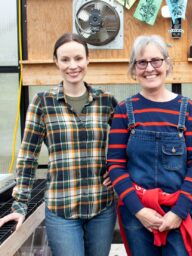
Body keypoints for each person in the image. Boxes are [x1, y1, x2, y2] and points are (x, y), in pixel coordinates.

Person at [0, 33, 117, 256]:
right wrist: (19, 204)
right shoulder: (43, 103)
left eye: (78, 58)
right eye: (65, 59)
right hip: (61, 209)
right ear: (56, 61)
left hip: (101, 206)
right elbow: (28, 156)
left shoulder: (106, 101)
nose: (73, 65)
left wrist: (119, 169)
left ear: (87, 60)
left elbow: (130, 140)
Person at [107, 34, 192, 256]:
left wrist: (179, 212)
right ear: (134, 69)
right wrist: (139, 210)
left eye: (156, 61)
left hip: (178, 213)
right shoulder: (124, 110)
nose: (149, 68)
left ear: (167, 64)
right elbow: (115, 165)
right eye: (141, 62)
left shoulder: (187, 109)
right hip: (137, 215)